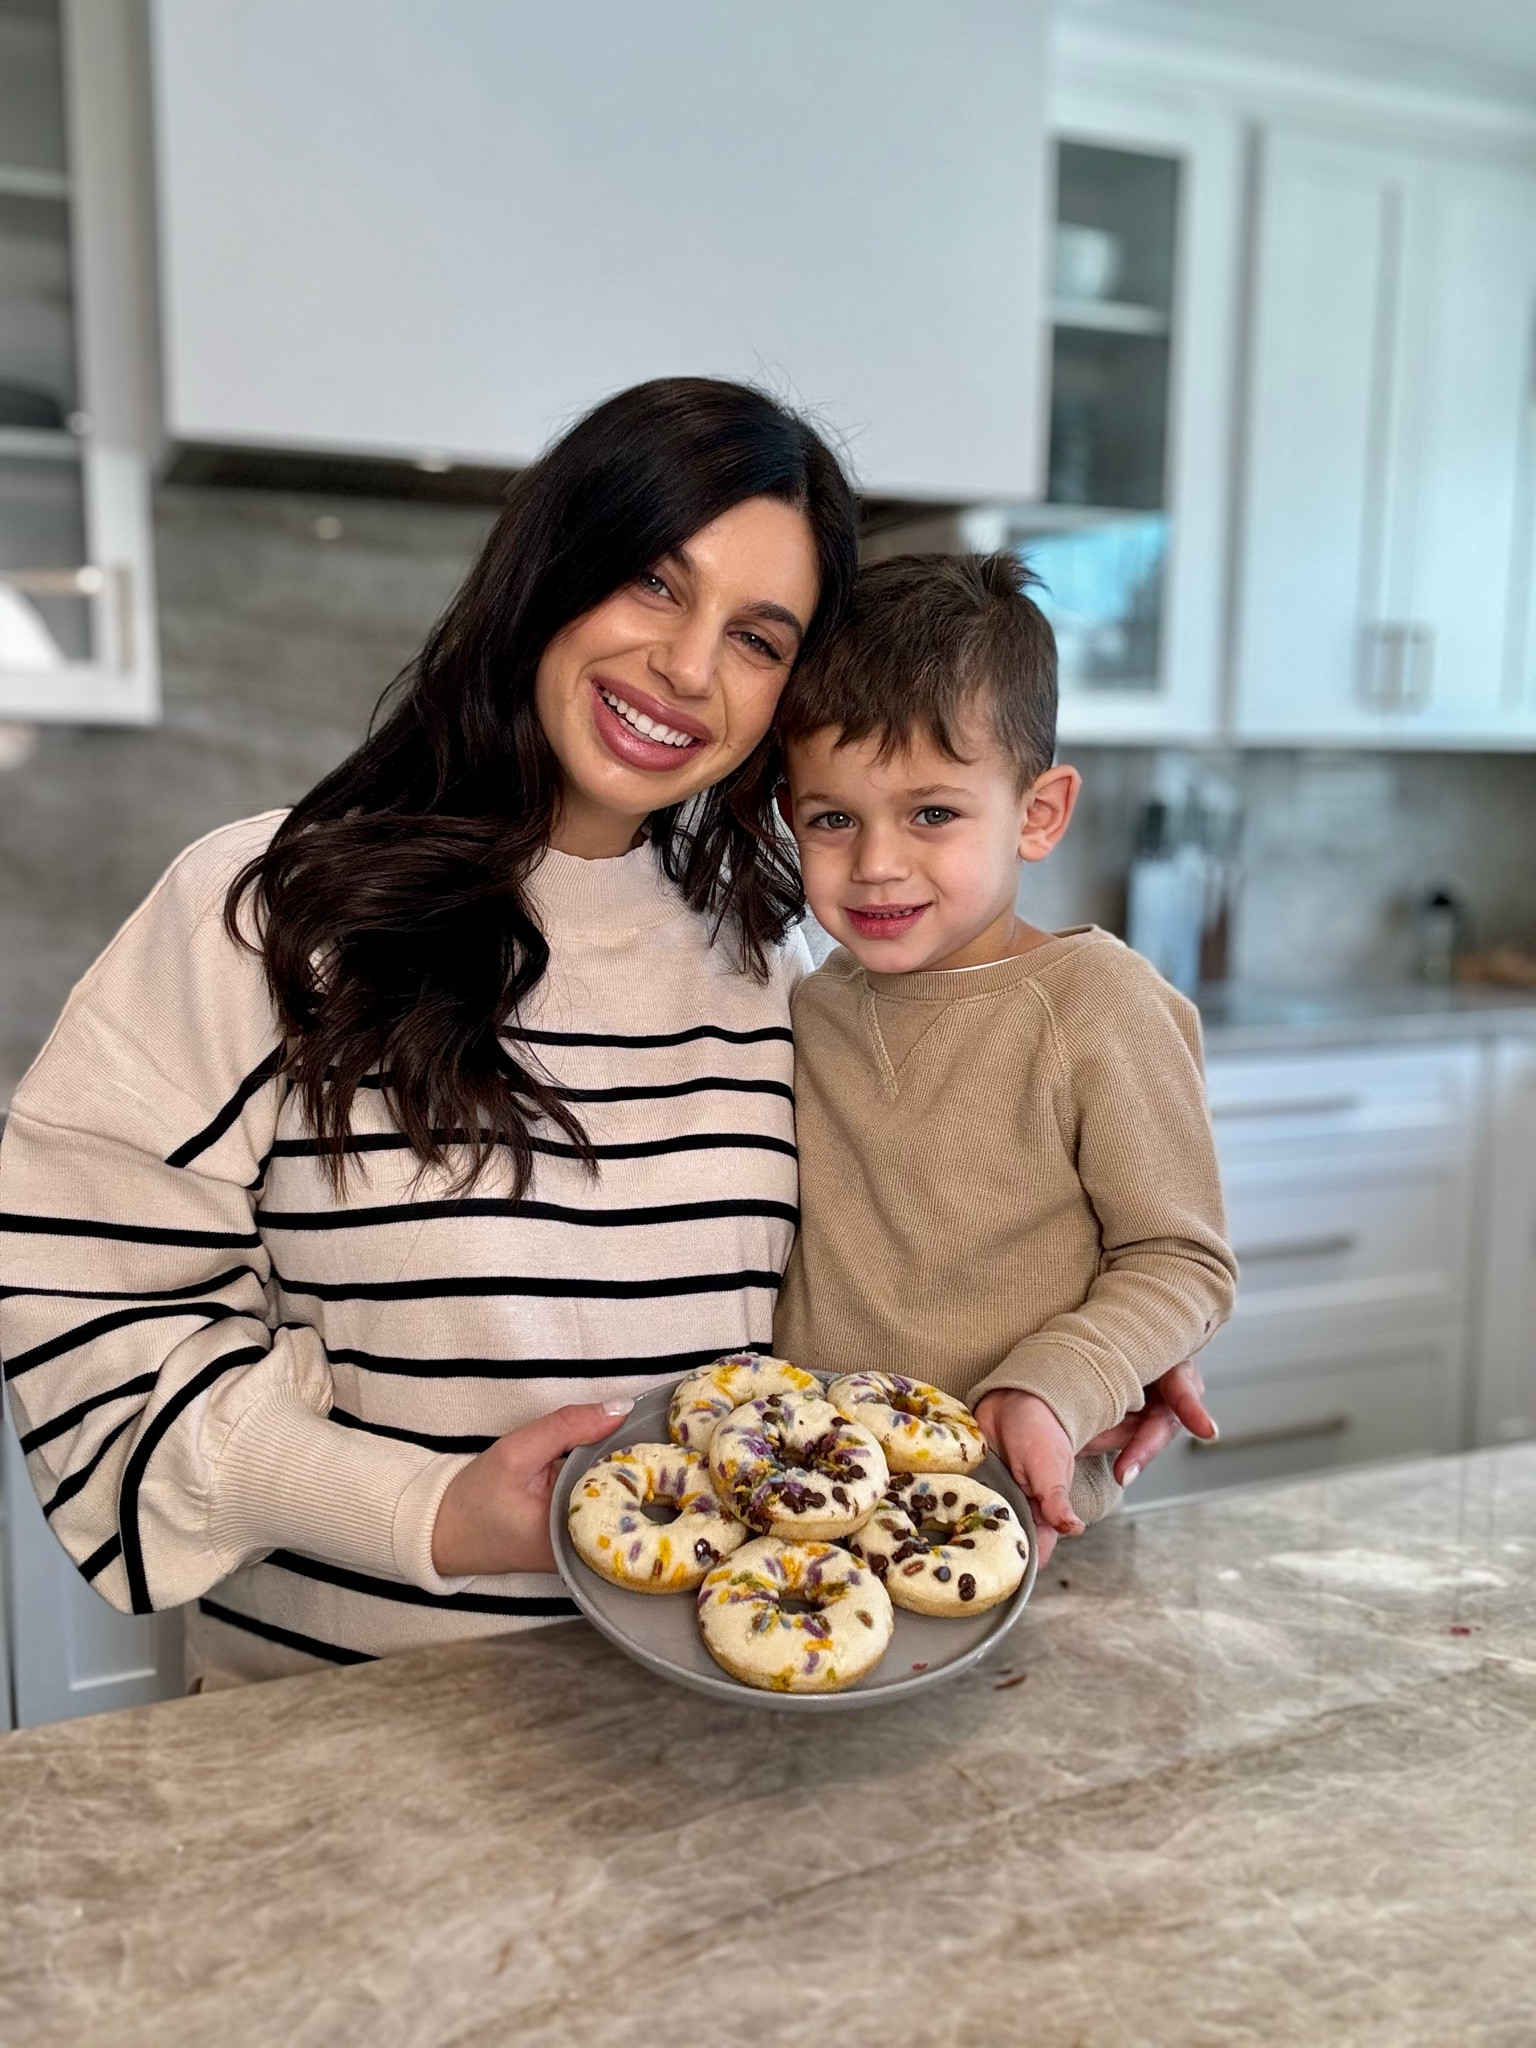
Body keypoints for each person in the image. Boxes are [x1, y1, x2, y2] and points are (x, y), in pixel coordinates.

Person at [1, 384, 1205, 1688]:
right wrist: (436, 1514)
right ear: (547, 571)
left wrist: (1086, 1341)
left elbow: (917, 1234)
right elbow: (83, 1325)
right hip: (350, 1749)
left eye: (757, 636)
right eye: (651, 580)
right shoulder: (267, 914)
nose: (689, 668)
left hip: (724, 1742)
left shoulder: (771, 955)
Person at [773, 552, 1237, 1562]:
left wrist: (1054, 1384)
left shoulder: (1095, 1002)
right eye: (833, 818)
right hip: (823, 1529)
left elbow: (1184, 1258)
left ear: (1039, 812)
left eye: (932, 812)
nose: (877, 862)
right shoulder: (808, 1005)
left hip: (1027, 1526)